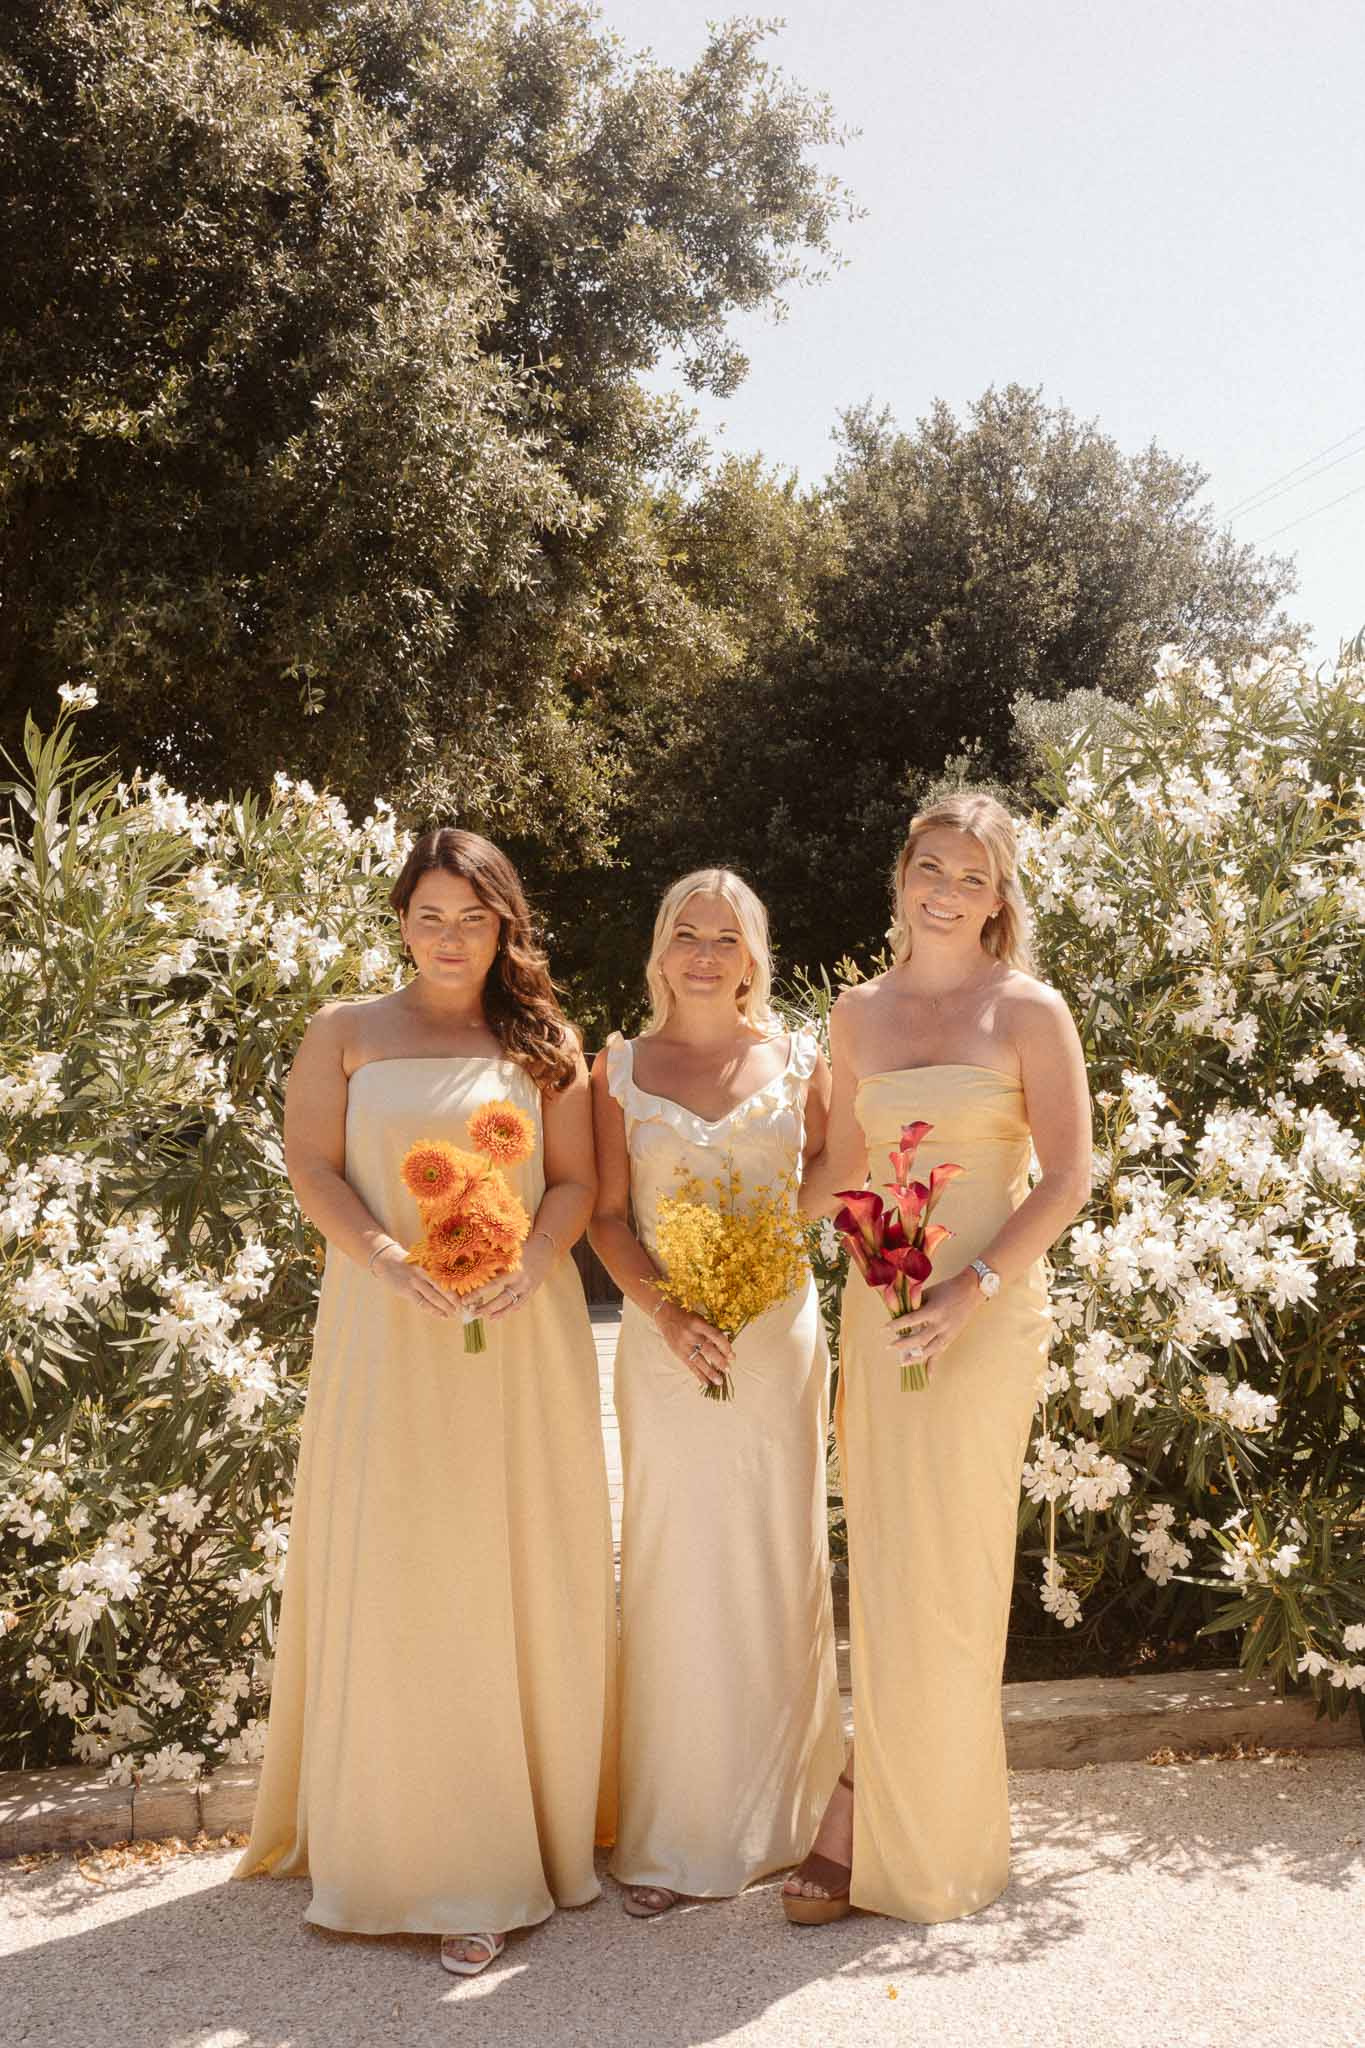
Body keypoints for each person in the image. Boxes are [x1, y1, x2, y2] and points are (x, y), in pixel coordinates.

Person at [236, 828, 617, 1978]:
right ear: (401, 918)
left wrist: (533, 1264)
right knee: (401, 1565)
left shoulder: (545, 1040)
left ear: (505, 925)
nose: (450, 938)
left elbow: (575, 1182)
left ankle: (497, 1857)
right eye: (430, 915)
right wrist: (387, 1260)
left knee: (503, 1566)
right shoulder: (343, 1032)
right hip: (382, 1324)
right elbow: (310, 1164)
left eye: (474, 917)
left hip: (517, 1331)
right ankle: (390, 1840)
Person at [783, 794, 1091, 1926]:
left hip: (984, 1311)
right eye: (929, 865)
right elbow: (843, 1173)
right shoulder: (855, 1013)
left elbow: (1065, 1176)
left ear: (999, 893)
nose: (946, 888)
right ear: (901, 875)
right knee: (892, 1556)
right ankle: (873, 1787)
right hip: (883, 1305)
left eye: (971, 872)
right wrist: (733, 1175)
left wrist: (973, 1286)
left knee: (954, 1572)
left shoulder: (1029, 1010)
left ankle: (892, 1817)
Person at [589, 869, 844, 1917]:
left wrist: (765, 1239)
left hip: (776, 1331)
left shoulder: (801, 1059)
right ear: (659, 951)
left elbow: (840, 1162)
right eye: (685, 934)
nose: (703, 952)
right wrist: (668, 1309)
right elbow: (607, 1215)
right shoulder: (617, 1067)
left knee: (774, 1557)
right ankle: (675, 1829)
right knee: (671, 1563)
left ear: (754, 954)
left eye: (724, 936)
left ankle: (786, 1820)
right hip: (664, 1342)